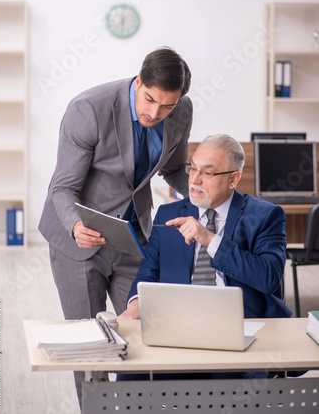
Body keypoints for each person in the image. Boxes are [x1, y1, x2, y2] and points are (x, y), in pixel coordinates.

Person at [38, 47, 192, 406]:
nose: (155, 113)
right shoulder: (88, 110)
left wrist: (204, 191)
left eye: (166, 106)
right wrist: (76, 225)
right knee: (89, 346)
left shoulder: (181, 111)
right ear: (138, 82)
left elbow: (174, 169)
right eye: (150, 99)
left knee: (144, 333)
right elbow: (62, 188)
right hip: (78, 239)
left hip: (132, 237)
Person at [118, 133, 292, 380]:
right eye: (192, 169)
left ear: (234, 179)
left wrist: (210, 240)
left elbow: (269, 278)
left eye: (207, 173)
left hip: (240, 327)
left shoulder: (265, 216)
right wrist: (136, 303)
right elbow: (149, 271)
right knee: (129, 373)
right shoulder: (169, 213)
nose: (195, 180)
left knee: (226, 382)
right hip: (177, 325)